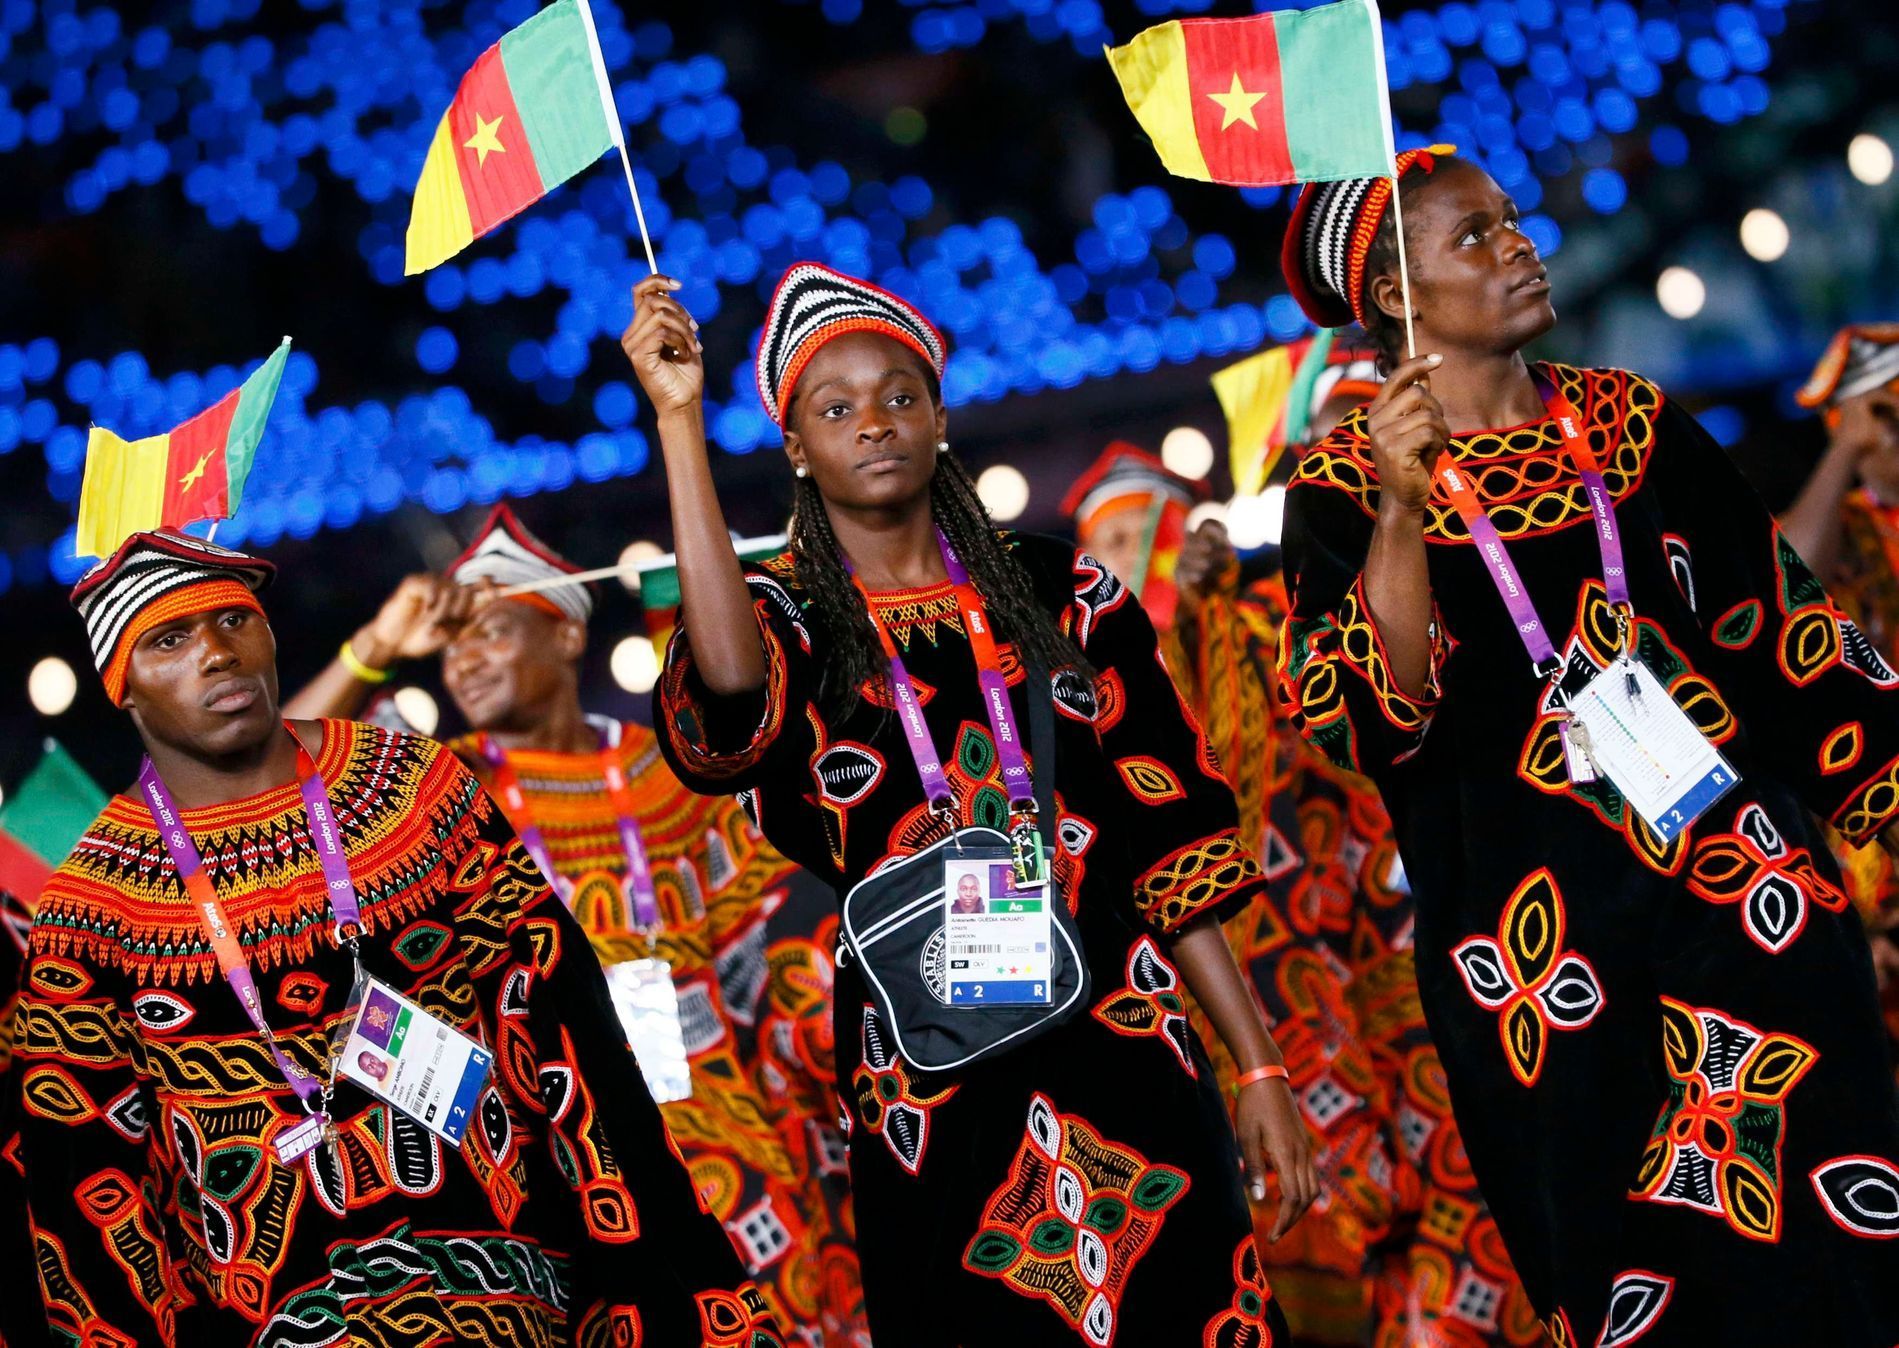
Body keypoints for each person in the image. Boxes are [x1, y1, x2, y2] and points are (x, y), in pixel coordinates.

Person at [626, 261, 1317, 1345]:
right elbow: (723, 688)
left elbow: (1167, 841)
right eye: (836, 407)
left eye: (901, 395)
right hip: (930, 1082)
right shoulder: (790, 625)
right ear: (796, 447)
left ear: (942, 417)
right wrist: (678, 424)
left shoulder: (1066, 594)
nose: (875, 423)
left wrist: (1260, 1062)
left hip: (1127, 1042)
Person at [1276, 144, 1899, 1345]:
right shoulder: (1344, 486)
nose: (1520, 244)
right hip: (1547, 974)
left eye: (1514, 221)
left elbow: (1784, 634)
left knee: (1837, 1271)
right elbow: (1373, 716)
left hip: (1749, 909)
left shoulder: (1634, 421)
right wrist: (1405, 508)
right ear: (1398, 296)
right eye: (1476, 236)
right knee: (1633, 1287)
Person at [0, 528, 781, 1346]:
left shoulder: (413, 788)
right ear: (123, 687)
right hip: (275, 1319)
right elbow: (89, 1192)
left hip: (511, 1290)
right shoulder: (89, 910)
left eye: (234, 621)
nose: (217, 654)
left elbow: (565, 1028)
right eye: (169, 640)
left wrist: (638, 1270)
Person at [283, 506, 862, 1343]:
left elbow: (769, 951)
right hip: (558, 1141)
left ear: (563, 636)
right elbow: (274, 775)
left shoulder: (667, 774)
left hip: (716, 1130)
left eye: (491, 631)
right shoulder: (433, 793)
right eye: (452, 645)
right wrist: (374, 646)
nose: (464, 659)